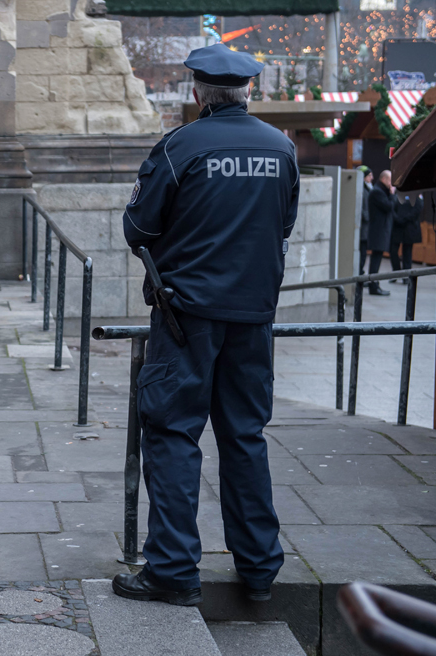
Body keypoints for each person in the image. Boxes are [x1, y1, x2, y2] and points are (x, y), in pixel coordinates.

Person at [114, 43, 297, 606]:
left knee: (172, 433)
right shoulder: (281, 148)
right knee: (245, 436)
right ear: (250, 91)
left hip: (185, 318)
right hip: (253, 314)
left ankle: (172, 569)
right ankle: (260, 569)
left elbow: (138, 229)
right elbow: (283, 223)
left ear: (196, 92)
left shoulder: (180, 146)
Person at [367, 170, 395, 295]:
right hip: (378, 231)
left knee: (377, 258)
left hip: (380, 230)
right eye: (390, 180)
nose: (391, 184)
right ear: (384, 179)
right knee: (376, 260)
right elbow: (389, 206)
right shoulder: (377, 192)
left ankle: (374, 284)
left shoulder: (380, 191)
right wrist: (392, 194)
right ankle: (373, 285)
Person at [389, 192, 424, 279]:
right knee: (393, 251)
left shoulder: (416, 195)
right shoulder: (398, 194)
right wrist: (397, 218)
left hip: (409, 227)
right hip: (397, 227)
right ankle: (396, 273)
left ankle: (406, 275)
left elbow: (417, 209)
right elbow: (392, 206)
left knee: (407, 252)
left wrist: (404, 219)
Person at [358, 166, 373, 275]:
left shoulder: (368, 189)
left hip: (366, 228)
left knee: (363, 253)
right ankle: (359, 273)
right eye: (369, 176)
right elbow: (361, 208)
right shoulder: (362, 190)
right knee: (362, 253)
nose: (371, 178)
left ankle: (360, 272)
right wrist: (368, 217)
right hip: (363, 228)